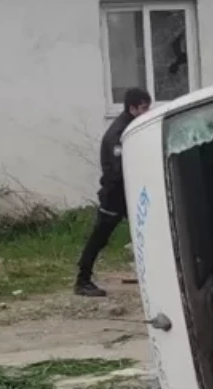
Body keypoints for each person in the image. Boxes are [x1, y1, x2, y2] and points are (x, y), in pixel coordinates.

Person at [75, 87, 152, 297]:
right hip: (115, 196)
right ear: (133, 108)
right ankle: (82, 280)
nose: (148, 112)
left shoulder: (131, 127)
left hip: (128, 194)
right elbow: (120, 170)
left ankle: (155, 276)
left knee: (151, 232)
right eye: (144, 108)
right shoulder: (119, 134)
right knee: (100, 237)